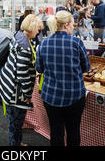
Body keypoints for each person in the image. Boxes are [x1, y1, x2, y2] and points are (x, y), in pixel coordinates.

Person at [35, 10, 90, 146]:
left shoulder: (44, 43)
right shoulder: (76, 43)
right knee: (73, 130)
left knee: (56, 131)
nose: (74, 26)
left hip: (51, 96)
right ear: (65, 25)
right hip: (74, 95)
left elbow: (39, 69)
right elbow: (86, 68)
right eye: (72, 24)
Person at [0, 14, 43, 146]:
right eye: (37, 29)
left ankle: (17, 142)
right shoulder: (24, 46)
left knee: (15, 122)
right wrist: (28, 94)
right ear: (32, 28)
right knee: (16, 122)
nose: (39, 31)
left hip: (8, 83)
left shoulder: (19, 35)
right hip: (15, 91)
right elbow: (22, 74)